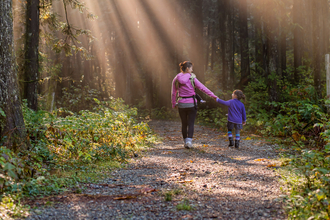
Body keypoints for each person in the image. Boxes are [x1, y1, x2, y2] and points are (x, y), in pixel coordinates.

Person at [171, 61, 217, 149]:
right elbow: (203, 88)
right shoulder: (192, 78)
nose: (192, 70)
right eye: (191, 68)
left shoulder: (176, 78)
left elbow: (173, 93)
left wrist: (174, 103)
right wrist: (213, 96)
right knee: (191, 123)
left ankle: (185, 142)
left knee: (184, 123)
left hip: (181, 104)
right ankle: (189, 142)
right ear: (187, 68)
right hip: (191, 103)